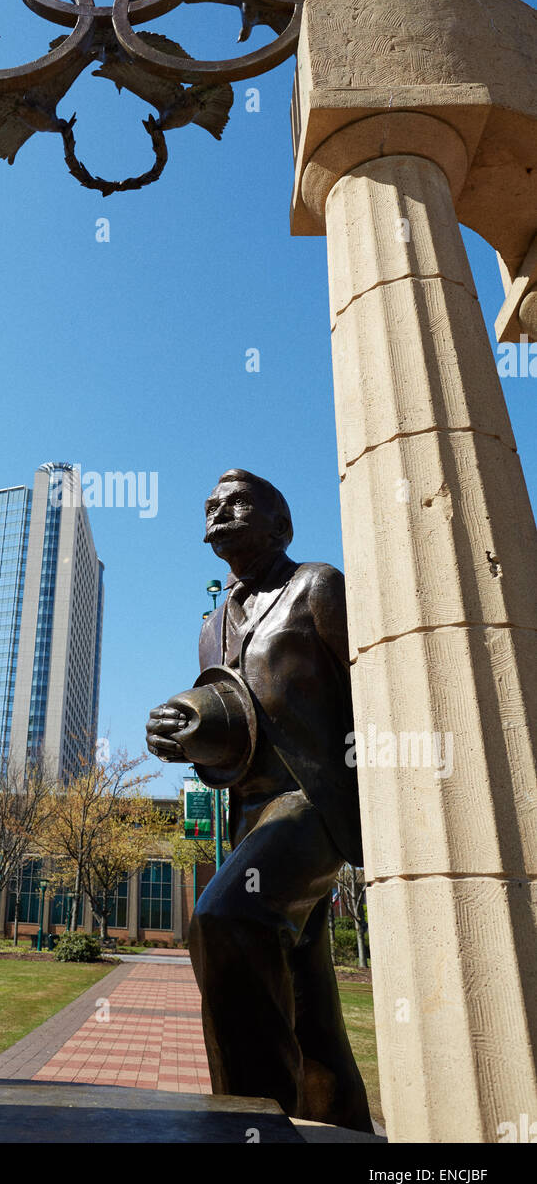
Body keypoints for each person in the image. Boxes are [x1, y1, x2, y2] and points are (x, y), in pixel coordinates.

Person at [145, 468, 372, 1133]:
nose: (217, 509)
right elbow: (233, 720)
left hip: (314, 803)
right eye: (210, 504)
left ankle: (250, 1124)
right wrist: (181, 731)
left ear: (281, 525)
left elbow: (374, 685)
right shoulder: (211, 625)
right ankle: (345, 1126)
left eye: (236, 501)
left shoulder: (318, 586)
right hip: (250, 816)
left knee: (223, 921)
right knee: (307, 1002)